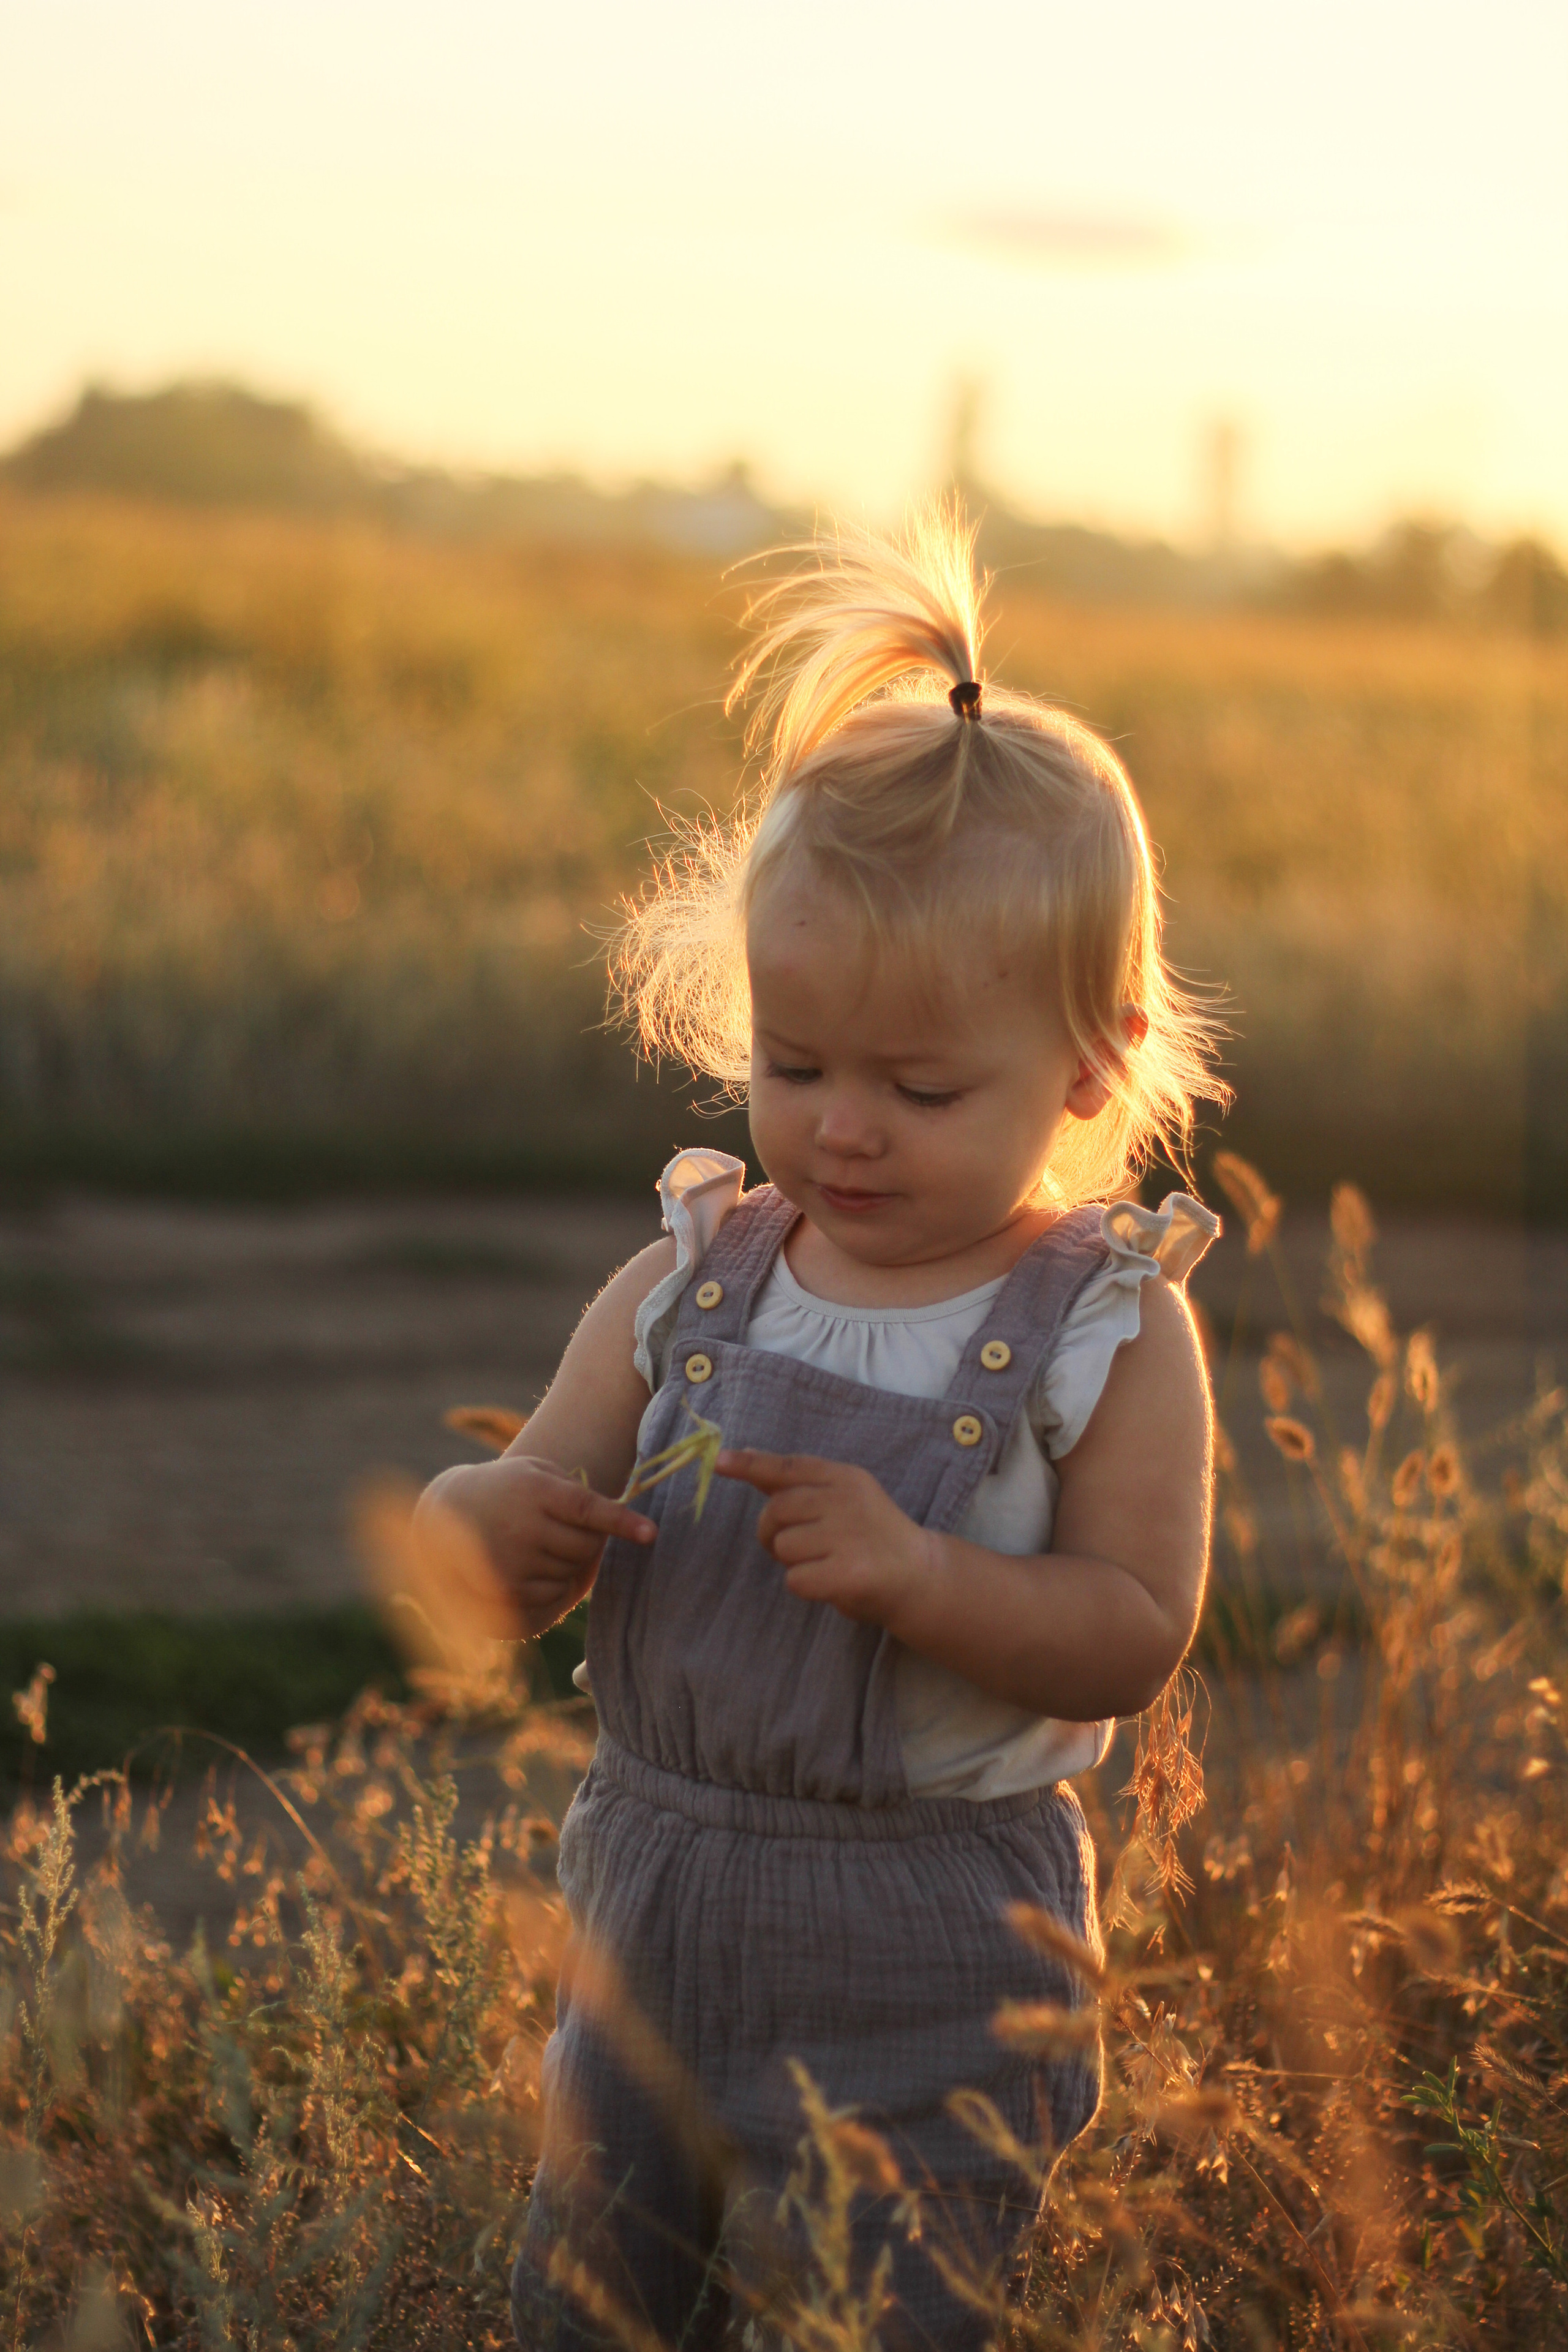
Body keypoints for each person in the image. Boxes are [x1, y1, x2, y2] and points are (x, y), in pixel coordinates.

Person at [417, 506, 1226, 2349]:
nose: (842, 1126)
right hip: (650, 1900)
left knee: (886, 2313)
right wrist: (492, 1520)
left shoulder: (1109, 1331)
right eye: (795, 1066)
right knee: (598, 2298)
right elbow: (521, 1506)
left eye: (919, 1086)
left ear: (1092, 1064)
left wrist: (923, 1574)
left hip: (937, 1944)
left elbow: (1130, 1633)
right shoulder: (695, 1278)